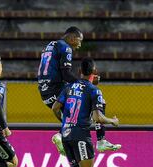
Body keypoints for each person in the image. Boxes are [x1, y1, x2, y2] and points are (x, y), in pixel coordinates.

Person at [41, 57, 119, 167]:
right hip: (81, 136)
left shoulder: (68, 87)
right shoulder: (94, 90)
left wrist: (65, 122)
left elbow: (55, 108)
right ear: (94, 72)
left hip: (66, 135)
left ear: (79, 71)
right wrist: (112, 121)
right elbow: (97, 117)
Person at [37, 26, 119, 155]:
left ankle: (64, 134)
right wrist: (85, 84)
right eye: (79, 40)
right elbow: (66, 74)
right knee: (97, 103)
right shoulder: (66, 47)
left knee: (78, 114)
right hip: (56, 88)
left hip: (44, 91)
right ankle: (100, 140)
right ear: (72, 37)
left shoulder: (50, 45)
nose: (79, 45)